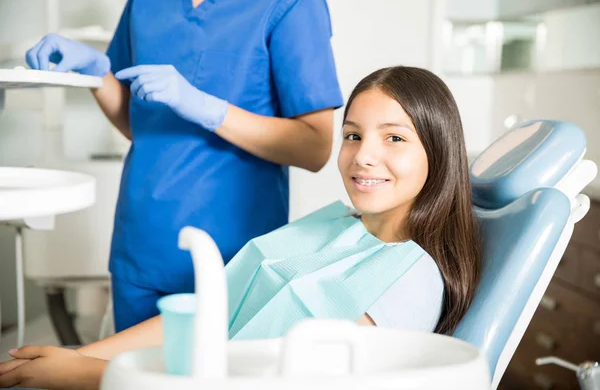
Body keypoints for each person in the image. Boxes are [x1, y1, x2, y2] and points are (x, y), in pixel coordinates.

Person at [0, 66, 482, 390]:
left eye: (394, 138)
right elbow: (214, 316)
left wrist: (92, 376)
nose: (363, 156)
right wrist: (80, 357)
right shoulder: (339, 224)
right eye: (352, 135)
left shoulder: (411, 279)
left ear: (437, 151)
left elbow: (283, 382)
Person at [24, 0, 344, 332]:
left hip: (231, 254)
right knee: (134, 380)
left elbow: (314, 146)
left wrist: (210, 109)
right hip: (140, 246)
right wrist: (96, 73)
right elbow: (140, 125)